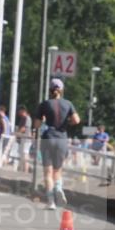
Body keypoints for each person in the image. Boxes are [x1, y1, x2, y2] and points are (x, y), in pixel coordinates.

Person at [34, 78, 80, 210]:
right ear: (62, 90)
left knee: (47, 172)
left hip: (48, 137)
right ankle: (59, 188)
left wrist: (43, 120)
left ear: (50, 90)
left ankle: (50, 201)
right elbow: (76, 120)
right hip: (62, 138)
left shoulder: (44, 104)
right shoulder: (68, 104)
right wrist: (67, 123)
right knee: (57, 170)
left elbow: (36, 125)